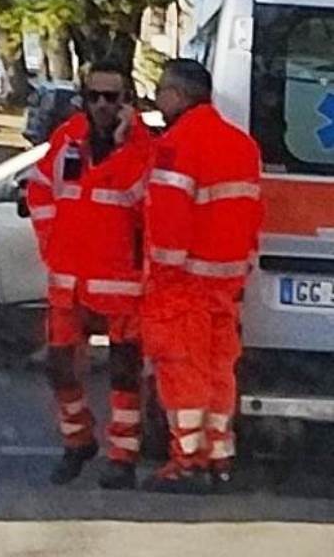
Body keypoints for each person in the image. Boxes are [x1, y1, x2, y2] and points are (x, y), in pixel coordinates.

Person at [27, 59, 152, 490]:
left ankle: (123, 455)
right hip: (69, 278)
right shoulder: (67, 139)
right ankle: (78, 440)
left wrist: (120, 147)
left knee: (124, 372)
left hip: (121, 280)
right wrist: (50, 242)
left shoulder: (142, 148)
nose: (101, 105)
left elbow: (145, 204)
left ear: (126, 102)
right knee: (59, 367)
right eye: (93, 96)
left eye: (111, 97)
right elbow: (40, 188)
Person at [142, 59, 262, 493]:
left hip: (184, 283)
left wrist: (164, 272)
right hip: (226, 284)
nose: (158, 99)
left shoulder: (177, 145)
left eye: (161, 91)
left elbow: (170, 219)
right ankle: (219, 456)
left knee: (182, 374)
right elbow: (251, 215)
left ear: (177, 94)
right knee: (218, 373)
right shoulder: (242, 144)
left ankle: (188, 461)